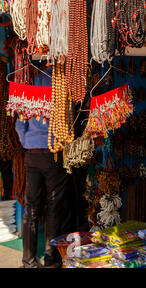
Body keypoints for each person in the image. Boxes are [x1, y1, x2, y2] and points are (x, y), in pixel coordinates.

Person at [15, 66, 70, 268]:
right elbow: (68, 123)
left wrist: (28, 141)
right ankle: (51, 261)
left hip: (32, 153)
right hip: (53, 152)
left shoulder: (29, 84)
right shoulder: (61, 86)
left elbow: (19, 124)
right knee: (54, 206)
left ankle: (28, 261)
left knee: (31, 208)